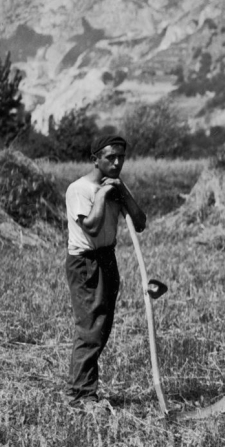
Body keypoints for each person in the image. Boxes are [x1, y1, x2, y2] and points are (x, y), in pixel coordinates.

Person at [63, 131, 147, 403]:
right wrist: (102, 196)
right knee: (90, 328)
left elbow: (140, 222)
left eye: (121, 157)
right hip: (86, 262)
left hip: (107, 258)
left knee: (103, 326)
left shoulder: (116, 186)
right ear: (95, 160)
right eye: (111, 157)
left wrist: (122, 192)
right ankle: (82, 395)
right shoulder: (80, 190)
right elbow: (91, 225)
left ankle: (81, 386)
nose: (117, 163)